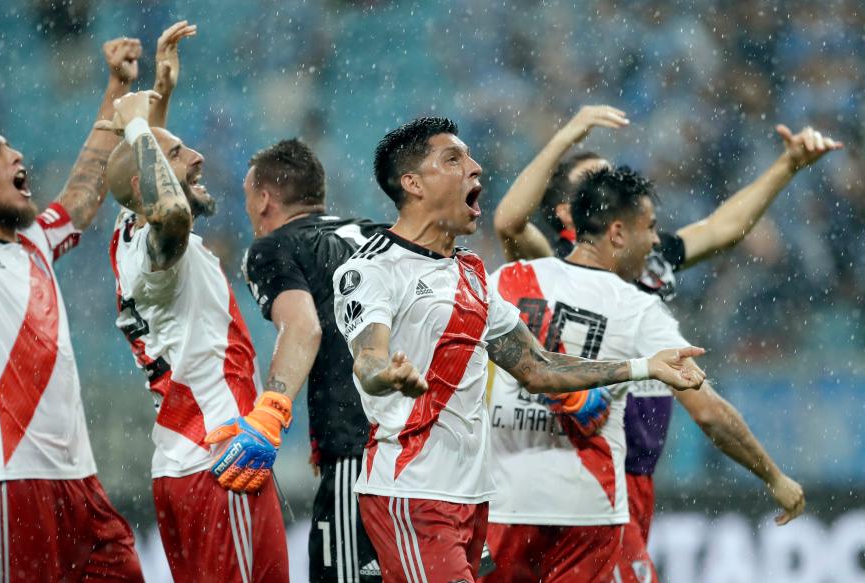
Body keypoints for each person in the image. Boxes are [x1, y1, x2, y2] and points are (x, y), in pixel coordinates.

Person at [331, 117, 707, 583]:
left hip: (472, 500)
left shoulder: (470, 273)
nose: (475, 167)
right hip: (412, 491)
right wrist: (386, 374)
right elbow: (368, 357)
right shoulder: (372, 268)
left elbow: (537, 366)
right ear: (413, 184)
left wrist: (641, 366)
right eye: (453, 159)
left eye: (469, 156)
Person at [493, 106, 840, 543]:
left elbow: (722, 229)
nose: (613, 184)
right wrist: (567, 134)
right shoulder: (548, 267)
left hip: (636, 460)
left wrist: (787, 165)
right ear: (570, 212)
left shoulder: (649, 260)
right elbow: (508, 221)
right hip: (587, 461)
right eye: (597, 182)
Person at [0, 38, 145, 582]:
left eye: (12, 147)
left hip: (82, 482)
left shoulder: (36, 243)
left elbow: (87, 184)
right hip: (9, 479)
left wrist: (117, 87)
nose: (16, 156)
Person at [101, 27, 289, 582]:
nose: (199, 157)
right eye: (183, 154)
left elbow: (146, 174)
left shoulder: (126, 236)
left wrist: (158, 94)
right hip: (218, 461)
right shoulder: (161, 248)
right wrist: (136, 122)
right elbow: (170, 205)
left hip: (189, 465)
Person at [241, 138, 386, 582]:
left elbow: (304, 327)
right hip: (426, 454)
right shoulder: (379, 234)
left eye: (248, 199)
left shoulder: (273, 247)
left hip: (360, 456)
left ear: (265, 199)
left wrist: (271, 411)